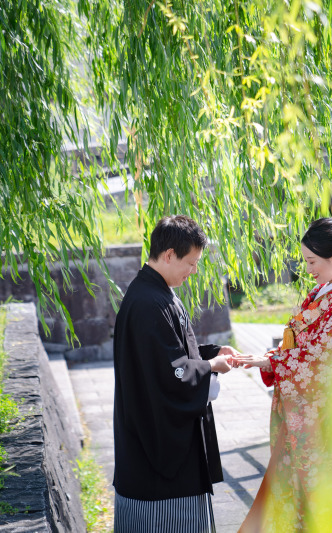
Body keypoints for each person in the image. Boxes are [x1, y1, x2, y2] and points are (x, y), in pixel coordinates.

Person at [233, 218, 332, 532]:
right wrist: (274, 359)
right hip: (310, 414)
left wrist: (272, 362)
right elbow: (307, 349)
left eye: (312, 261)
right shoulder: (325, 293)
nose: (308, 269)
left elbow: (323, 359)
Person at [112, 215, 236, 533]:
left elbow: (171, 353)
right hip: (156, 455)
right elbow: (170, 372)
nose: (193, 271)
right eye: (191, 263)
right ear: (169, 255)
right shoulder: (148, 303)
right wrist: (211, 367)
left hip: (154, 441)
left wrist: (211, 353)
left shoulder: (153, 293)